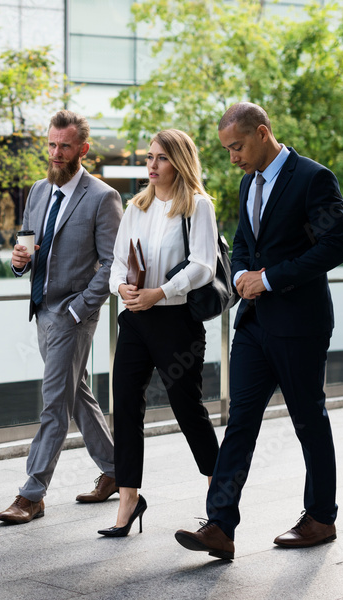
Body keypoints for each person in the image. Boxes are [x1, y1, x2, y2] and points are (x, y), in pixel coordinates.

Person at [175, 103, 343, 560]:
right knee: (239, 423)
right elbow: (245, 244)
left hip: (299, 325)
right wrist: (241, 274)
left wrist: (268, 278)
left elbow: (335, 246)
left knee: (309, 420)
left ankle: (321, 517)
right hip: (253, 325)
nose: (232, 157)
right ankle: (220, 526)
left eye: (237, 147)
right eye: (227, 149)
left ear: (263, 133)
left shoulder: (314, 178)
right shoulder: (246, 183)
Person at [0, 109, 122, 523]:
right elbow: (28, 248)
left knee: (54, 403)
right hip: (41, 310)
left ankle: (32, 494)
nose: (55, 153)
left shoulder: (103, 198)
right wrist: (18, 261)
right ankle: (116, 470)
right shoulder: (36, 190)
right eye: (51, 144)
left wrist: (77, 309)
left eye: (63, 146)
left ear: (82, 149)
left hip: (72, 315)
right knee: (76, 394)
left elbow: (111, 265)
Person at [99, 129, 220, 537]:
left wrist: (161, 293)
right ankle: (129, 498)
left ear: (180, 162)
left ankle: (217, 495)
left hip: (176, 322)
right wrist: (124, 288)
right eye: (149, 157)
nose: (151, 165)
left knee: (188, 409)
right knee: (126, 406)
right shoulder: (137, 206)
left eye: (161, 158)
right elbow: (117, 263)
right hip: (136, 320)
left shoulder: (197, 207)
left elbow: (203, 265)